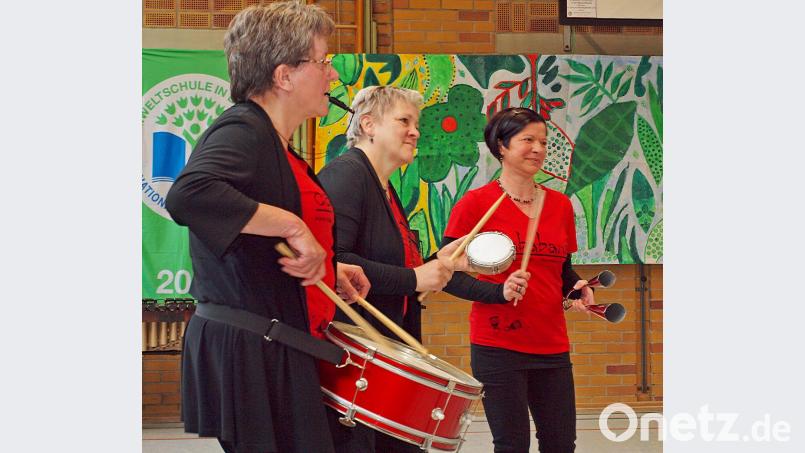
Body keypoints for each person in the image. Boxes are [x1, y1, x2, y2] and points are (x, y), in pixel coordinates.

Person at [164, 3, 370, 453]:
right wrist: (294, 226)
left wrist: (329, 269)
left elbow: (259, 244)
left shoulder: (276, 143)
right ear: (284, 75)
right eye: (324, 62)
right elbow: (189, 194)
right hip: (252, 352)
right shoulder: (244, 128)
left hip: (272, 344)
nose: (332, 75)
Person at [317, 85, 468, 453]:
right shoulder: (348, 175)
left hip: (383, 360)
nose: (415, 131)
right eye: (404, 121)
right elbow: (333, 260)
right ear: (368, 124)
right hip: (353, 365)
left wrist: (434, 264)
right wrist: (414, 277)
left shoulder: (384, 186)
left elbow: (389, 267)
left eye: (415, 123)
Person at [441, 107, 595, 453]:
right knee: (511, 445)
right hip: (498, 345)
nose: (538, 148)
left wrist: (578, 285)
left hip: (552, 344)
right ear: (501, 146)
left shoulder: (559, 206)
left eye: (543, 141)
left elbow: (560, 268)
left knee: (560, 444)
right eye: (527, 140)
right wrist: (499, 291)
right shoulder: (475, 204)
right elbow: (446, 274)